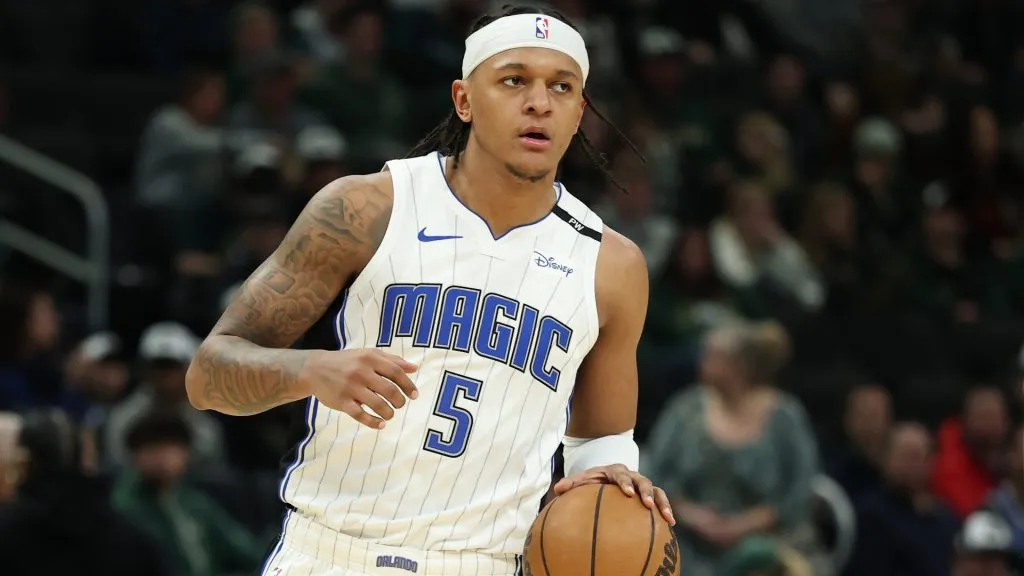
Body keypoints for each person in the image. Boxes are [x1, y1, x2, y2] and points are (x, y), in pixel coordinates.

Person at [184, 4, 674, 575]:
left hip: (484, 563)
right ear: (464, 99)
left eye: (561, 87)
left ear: (578, 112)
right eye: (514, 80)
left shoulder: (611, 264)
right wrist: (312, 371)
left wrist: (614, 478)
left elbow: (603, 441)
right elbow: (207, 376)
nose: (539, 101)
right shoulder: (365, 207)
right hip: (331, 552)